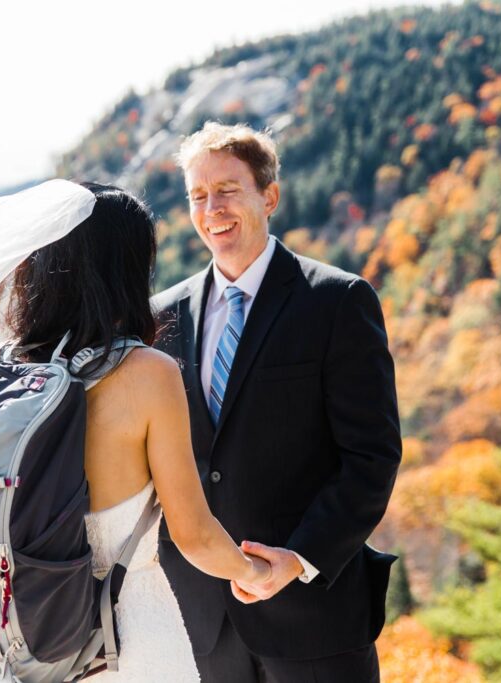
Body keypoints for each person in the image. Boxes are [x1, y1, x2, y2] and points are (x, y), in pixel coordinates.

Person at [151, 122, 402, 682]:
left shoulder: (338, 301)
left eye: (227, 190)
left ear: (270, 196)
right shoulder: (160, 318)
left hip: (316, 622)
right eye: (197, 196)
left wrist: (298, 559)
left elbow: (372, 457)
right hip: (203, 626)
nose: (210, 207)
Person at [1, 182, 272, 682]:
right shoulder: (147, 373)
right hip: (126, 638)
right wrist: (256, 573)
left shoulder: (7, 370)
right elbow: (193, 536)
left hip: (26, 641)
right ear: (124, 267)